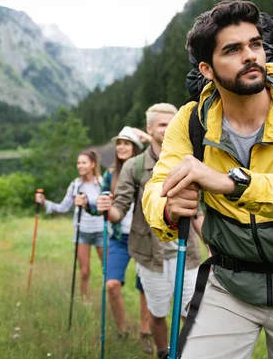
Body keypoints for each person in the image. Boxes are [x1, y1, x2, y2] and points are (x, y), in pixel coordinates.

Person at [142, 0, 273, 358]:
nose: (251, 56)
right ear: (207, 69)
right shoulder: (190, 121)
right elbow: (156, 190)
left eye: (255, 44)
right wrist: (167, 208)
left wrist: (232, 182)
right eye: (233, 50)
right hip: (230, 285)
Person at [97, 104, 205, 359]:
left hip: (187, 254)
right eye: (162, 125)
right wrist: (106, 209)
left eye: (173, 123)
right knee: (157, 314)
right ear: (149, 129)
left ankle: (188, 354)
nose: (169, 129)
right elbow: (119, 211)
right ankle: (162, 352)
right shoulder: (133, 167)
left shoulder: (188, 162)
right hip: (150, 256)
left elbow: (197, 211)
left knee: (191, 313)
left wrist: (210, 243)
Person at [83, 126, 153, 354]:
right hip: (119, 238)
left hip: (144, 238)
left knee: (146, 289)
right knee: (112, 285)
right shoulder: (110, 174)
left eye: (127, 143)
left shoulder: (147, 170)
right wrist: (88, 205)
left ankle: (145, 332)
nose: (122, 147)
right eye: (119, 143)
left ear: (136, 147)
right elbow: (100, 206)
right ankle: (122, 330)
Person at [35, 150, 104, 300]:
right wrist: (44, 202)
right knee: (84, 271)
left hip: (101, 231)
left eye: (84, 162)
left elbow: (107, 206)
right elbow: (63, 208)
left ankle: (108, 300)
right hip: (82, 231)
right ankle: (86, 302)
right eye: (78, 163)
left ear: (92, 165)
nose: (80, 166)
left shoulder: (102, 183)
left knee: (107, 271)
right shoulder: (75, 185)